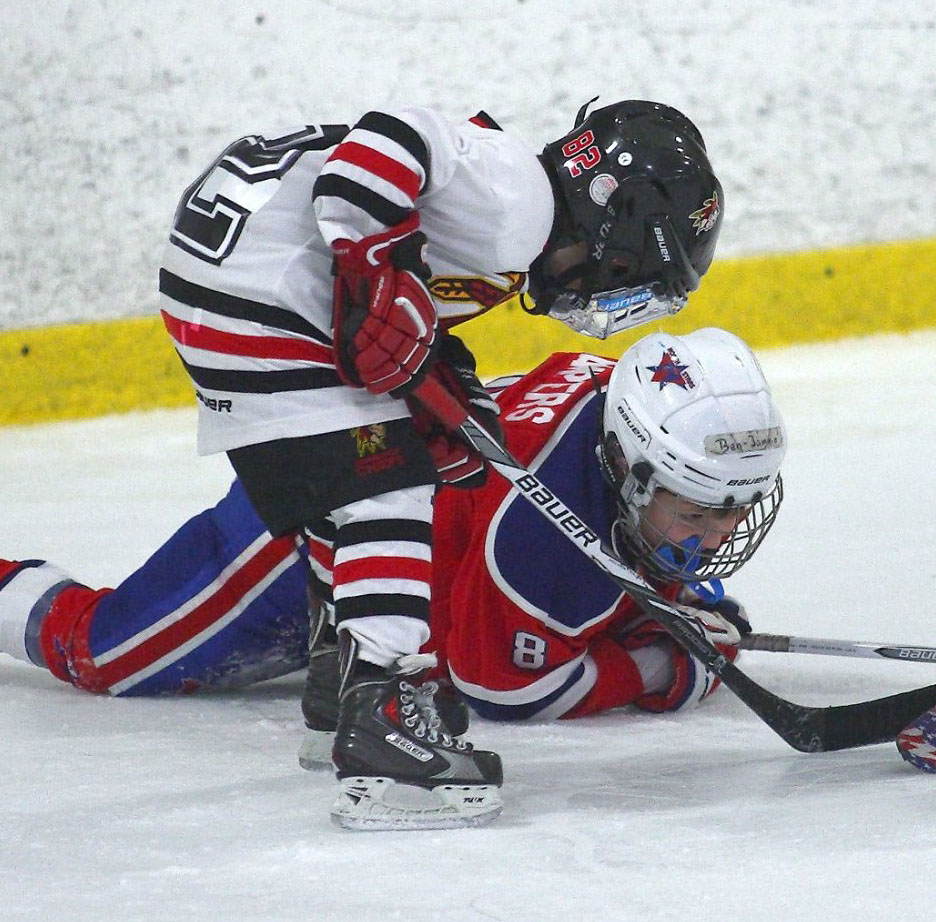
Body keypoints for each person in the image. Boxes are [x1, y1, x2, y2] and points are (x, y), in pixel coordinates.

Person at [157, 96, 722, 828]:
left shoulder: (508, 221)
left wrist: (433, 356)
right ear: (613, 221)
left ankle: (342, 684)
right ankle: (382, 717)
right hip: (266, 287)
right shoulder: (519, 200)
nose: (609, 286)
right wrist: (374, 268)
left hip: (224, 288)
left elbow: (403, 271)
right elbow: (391, 132)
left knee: (354, 485)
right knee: (386, 486)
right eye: (627, 266)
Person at [0, 328, 785, 823]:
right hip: (319, 530)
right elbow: (506, 688)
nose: (720, 531)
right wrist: (668, 665)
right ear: (632, 468)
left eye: (733, 507)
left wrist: (672, 601)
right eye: (699, 513)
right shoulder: (542, 535)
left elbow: (595, 567)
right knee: (99, 650)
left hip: (412, 527)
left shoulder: (633, 408)